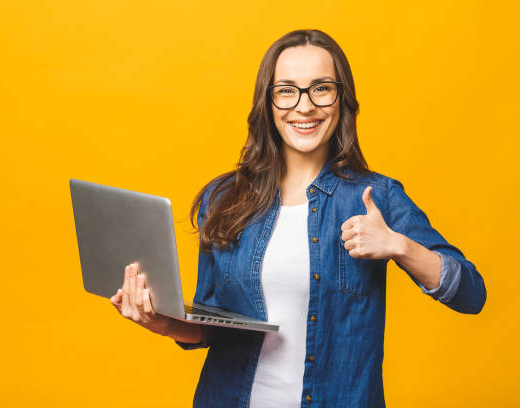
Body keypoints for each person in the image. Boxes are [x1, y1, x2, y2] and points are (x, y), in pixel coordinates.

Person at [110, 29, 487, 408]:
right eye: (287, 90)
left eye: (321, 88)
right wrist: (159, 321)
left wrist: (399, 246)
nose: (304, 107)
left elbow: (472, 294)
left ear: (342, 99)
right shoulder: (225, 198)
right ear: (268, 102)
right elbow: (211, 326)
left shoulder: (377, 197)